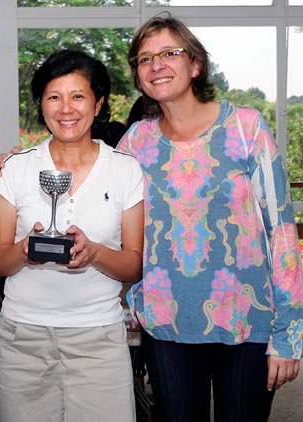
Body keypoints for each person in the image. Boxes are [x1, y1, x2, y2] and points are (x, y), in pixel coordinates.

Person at [116, 15, 303, 421]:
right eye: (144, 58)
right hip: (166, 324)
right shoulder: (135, 143)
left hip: (248, 321)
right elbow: (105, 208)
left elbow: (283, 235)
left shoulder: (247, 128)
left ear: (195, 64)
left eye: (169, 53)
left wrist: (289, 334)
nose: (156, 65)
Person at [0, 49, 144, 422]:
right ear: (41, 105)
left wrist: (95, 253)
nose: (66, 108)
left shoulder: (125, 170)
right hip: (23, 337)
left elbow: (134, 265)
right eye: (54, 97)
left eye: (78, 96)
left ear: (98, 103)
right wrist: (26, 251)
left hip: (98, 340)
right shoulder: (16, 168)